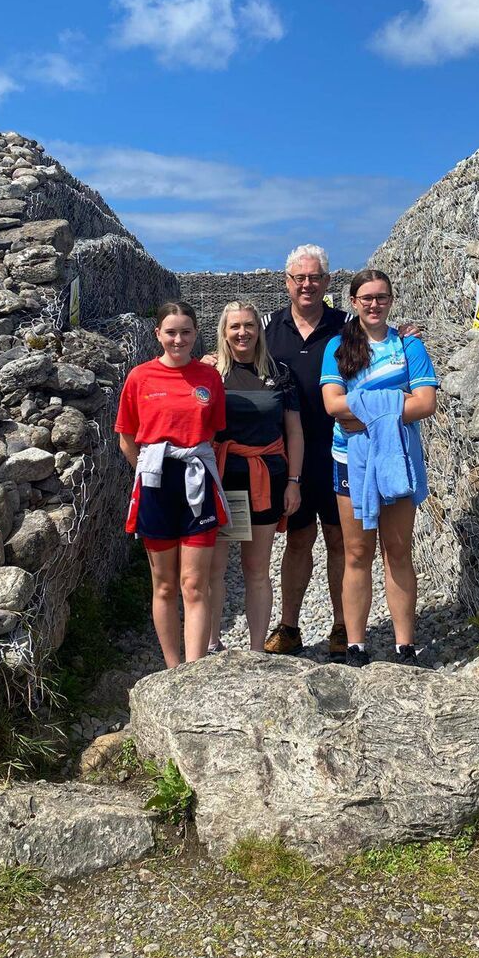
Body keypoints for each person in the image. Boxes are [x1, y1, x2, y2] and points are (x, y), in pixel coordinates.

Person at [320, 269, 438, 667]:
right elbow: (332, 405)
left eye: (381, 297)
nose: (374, 304)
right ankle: (357, 644)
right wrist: (393, 402)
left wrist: (366, 410)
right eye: (366, 298)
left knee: (399, 549)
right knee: (356, 551)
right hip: (349, 461)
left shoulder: (409, 348)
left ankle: (405, 645)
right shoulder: (338, 348)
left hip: (397, 458)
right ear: (353, 302)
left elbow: (426, 403)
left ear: (391, 300)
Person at [114, 301, 229, 668]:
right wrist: (148, 473)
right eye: (171, 332)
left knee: (195, 585)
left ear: (196, 334)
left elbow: (215, 433)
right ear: (158, 335)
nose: (178, 339)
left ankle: (193, 671)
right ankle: (172, 669)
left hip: (196, 480)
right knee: (163, 585)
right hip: (156, 484)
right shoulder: (140, 377)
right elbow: (127, 438)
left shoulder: (209, 378)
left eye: (186, 332)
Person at [259, 245, 350, 660]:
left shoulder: (347, 326)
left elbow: (383, 347)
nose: (307, 284)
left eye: (315, 277)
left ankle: (343, 627)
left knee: (338, 539)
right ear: (287, 282)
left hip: (338, 450)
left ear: (327, 283)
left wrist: (404, 337)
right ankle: (290, 626)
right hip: (288, 455)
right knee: (297, 539)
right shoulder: (267, 328)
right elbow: (235, 357)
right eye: (299, 278)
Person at [208, 302, 304, 652]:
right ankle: (211, 644)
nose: (242, 333)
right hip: (223, 479)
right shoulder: (211, 373)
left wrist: (294, 481)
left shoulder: (279, 372)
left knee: (256, 568)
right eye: (234, 326)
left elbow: (294, 431)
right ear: (224, 331)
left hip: (267, 480)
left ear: (259, 329)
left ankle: (256, 650)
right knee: (215, 568)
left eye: (249, 325)